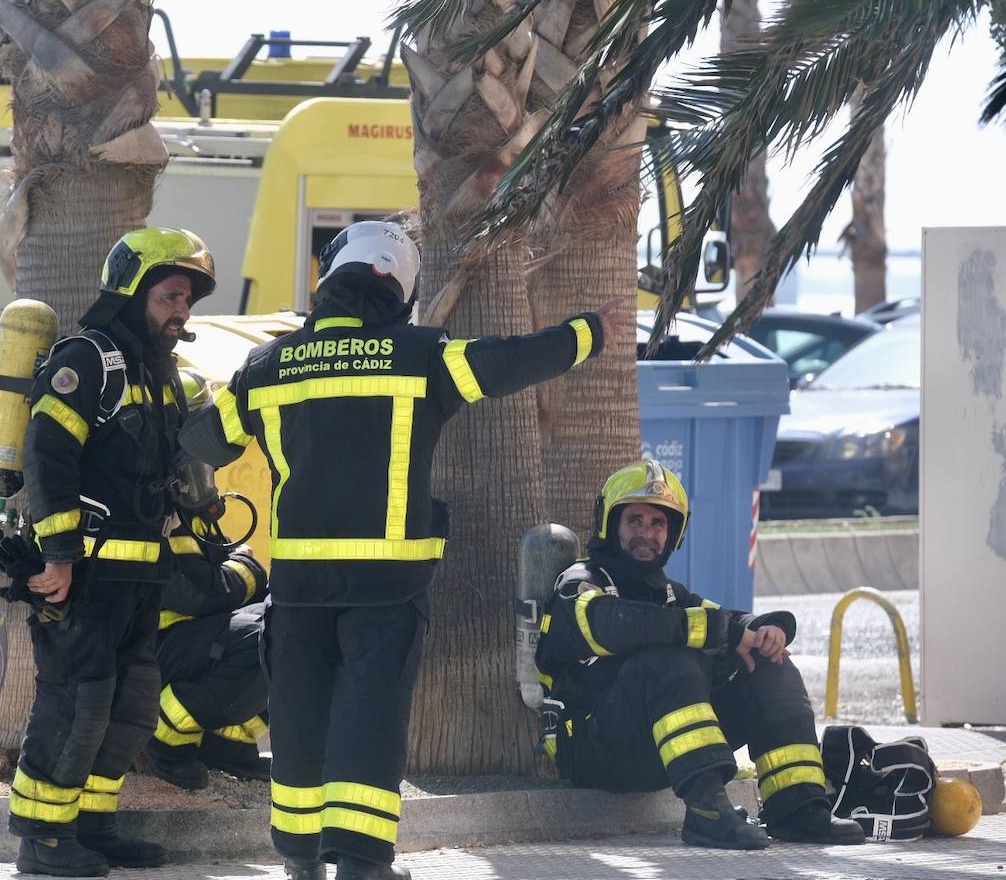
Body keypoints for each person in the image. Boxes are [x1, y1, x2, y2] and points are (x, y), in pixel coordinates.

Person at [179, 220, 634, 880]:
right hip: (384, 590)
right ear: (396, 287)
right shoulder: (421, 355)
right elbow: (509, 361)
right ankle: (362, 865)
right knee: (371, 718)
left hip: (300, 591)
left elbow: (204, 443)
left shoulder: (266, 365)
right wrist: (589, 331)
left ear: (331, 278)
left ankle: (301, 861)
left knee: (300, 718)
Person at [3, 228, 217, 878]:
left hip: (141, 574)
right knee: (77, 703)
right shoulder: (88, 360)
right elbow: (47, 455)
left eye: (187, 301)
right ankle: (42, 840)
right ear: (133, 290)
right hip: (86, 573)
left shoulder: (166, 378)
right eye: (170, 296)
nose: (181, 312)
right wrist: (58, 555)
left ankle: (91, 827)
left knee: (129, 706)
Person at [534, 460, 866, 850]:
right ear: (610, 524)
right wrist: (721, 631)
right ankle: (708, 811)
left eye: (658, 524)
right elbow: (617, 624)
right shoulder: (581, 582)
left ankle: (799, 808)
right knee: (672, 657)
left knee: (764, 662)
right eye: (635, 521)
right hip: (594, 752)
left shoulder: (668, 593)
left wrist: (764, 629)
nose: (647, 533)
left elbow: (724, 619)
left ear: (673, 533)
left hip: (656, 750)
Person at [146, 531, 271, 790]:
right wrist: (245, 564)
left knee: (291, 623)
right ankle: (164, 735)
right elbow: (201, 593)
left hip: (188, 639)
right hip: (151, 648)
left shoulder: (191, 514)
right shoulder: (153, 516)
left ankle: (228, 748)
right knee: (263, 639)